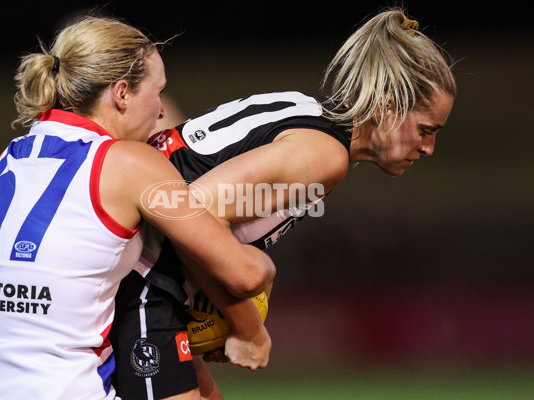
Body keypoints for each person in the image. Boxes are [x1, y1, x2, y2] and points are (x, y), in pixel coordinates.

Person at [110, 7, 456, 400]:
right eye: (426, 130)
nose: (428, 148)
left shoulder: (308, 111)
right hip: (140, 280)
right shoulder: (325, 154)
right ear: (389, 105)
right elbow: (190, 212)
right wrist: (247, 328)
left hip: (143, 272)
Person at [0, 16, 275, 400]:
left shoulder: (4, 162)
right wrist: (264, 265)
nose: (160, 111)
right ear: (122, 93)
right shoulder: (130, 163)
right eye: (157, 91)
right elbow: (241, 275)